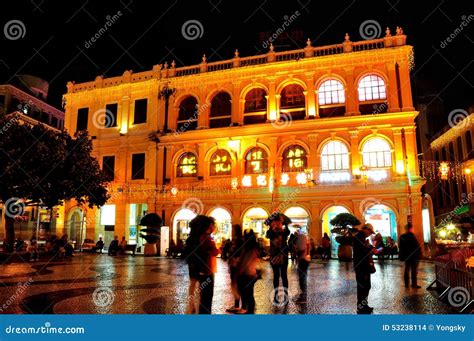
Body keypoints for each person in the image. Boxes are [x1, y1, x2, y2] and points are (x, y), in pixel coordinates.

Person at [185, 215, 219, 314]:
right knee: (206, 295)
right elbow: (214, 252)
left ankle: (192, 306)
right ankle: (200, 310)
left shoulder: (194, 237)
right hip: (205, 270)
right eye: (213, 225)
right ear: (209, 225)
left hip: (195, 267)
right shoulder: (205, 237)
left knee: (195, 286)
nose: (214, 227)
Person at [265, 213, 290, 304]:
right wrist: (271, 227)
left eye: (279, 222)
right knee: (276, 276)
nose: (277, 224)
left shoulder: (284, 232)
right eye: (276, 222)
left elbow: (288, 232)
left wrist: (285, 224)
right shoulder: (271, 232)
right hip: (274, 257)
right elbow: (268, 235)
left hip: (283, 257)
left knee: (284, 276)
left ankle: (286, 296)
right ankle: (276, 296)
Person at [236, 229, 261, 314]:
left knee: (247, 293)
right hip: (249, 273)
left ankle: (248, 310)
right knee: (247, 292)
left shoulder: (250, 248)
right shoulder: (250, 246)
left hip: (248, 273)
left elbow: (247, 261)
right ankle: (246, 309)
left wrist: (240, 270)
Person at [353, 224, 375, 314]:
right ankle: (361, 307)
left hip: (363, 265)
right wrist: (370, 248)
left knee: (366, 286)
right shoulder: (359, 237)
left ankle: (364, 305)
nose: (370, 234)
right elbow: (361, 251)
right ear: (366, 229)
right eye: (370, 232)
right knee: (363, 287)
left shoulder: (362, 237)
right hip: (362, 266)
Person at [226, 224, 244, 313]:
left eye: (233, 230)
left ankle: (240, 305)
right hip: (234, 264)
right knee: (235, 284)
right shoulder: (236, 240)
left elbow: (237, 252)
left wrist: (231, 252)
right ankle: (237, 305)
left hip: (236, 264)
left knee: (236, 284)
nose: (232, 231)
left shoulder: (239, 241)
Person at [399, 223, 422, 289]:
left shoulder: (402, 236)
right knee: (413, 270)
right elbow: (417, 246)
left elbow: (401, 247)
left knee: (407, 269)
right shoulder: (412, 236)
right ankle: (414, 285)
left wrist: (402, 256)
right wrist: (419, 254)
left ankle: (407, 284)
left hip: (406, 256)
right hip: (413, 256)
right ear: (411, 228)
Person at [295, 225, 310, 304]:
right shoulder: (305, 237)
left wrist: (296, 250)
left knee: (302, 279)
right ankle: (303, 296)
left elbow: (301, 249)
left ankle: (303, 297)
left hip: (302, 260)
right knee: (303, 278)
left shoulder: (300, 237)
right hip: (306, 259)